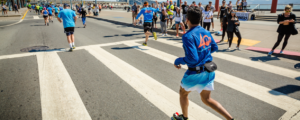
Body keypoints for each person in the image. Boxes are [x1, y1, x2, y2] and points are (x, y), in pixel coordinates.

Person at [172, 6, 234, 120]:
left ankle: (184, 117)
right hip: (209, 71)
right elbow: (214, 47)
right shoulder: (205, 31)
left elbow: (193, 59)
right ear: (200, 19)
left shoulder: (188, 36)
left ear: (187, 20)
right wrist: (203, 53)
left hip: (194, 73)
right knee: (207, 99)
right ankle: (231, 119)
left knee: (183, 94)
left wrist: (178, 60)